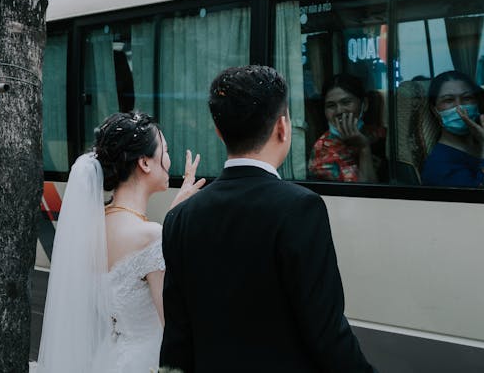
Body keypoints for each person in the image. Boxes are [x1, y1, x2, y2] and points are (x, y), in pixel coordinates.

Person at [160, 65, 376, 372]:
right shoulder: (300, 208)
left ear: (219, 132)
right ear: (283, 127)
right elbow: (326, 332)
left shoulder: (180, 217)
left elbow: (177, 338)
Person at [36, 111, 204, 373]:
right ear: (145, 163)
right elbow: (172, 323)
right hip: (148, 361)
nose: (169, 161)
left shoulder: (94, 226)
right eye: (166, 150)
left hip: (110, 358)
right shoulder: (150, 236)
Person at [420, 70, 484, 188]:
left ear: (477, 103)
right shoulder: (438, 165)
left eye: (467, 98)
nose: (460, 108)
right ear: (434, 110)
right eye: (448, 100)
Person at [308, 73, 386, 182]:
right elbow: (365, 195)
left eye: (346, 102)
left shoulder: (380, 136)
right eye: (331, 106)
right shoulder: (323, 150)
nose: (339, 111)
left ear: (365, 105)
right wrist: (364, 148)